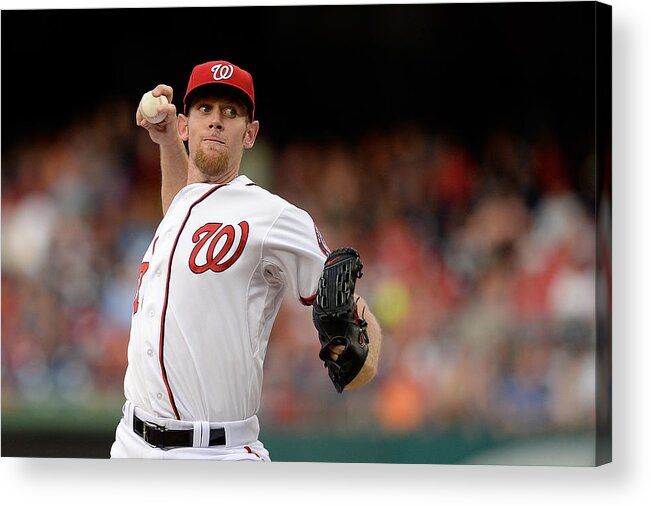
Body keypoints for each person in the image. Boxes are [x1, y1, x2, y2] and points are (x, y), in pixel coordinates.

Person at [110, 60, 382, 460]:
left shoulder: (270, 215)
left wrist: (365, 354)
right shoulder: (184, 205)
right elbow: (181, 211)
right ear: (186, 125)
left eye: (231, 112)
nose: (216, 121)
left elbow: (340, 290)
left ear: (250, 134)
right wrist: (167, 141)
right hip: (130, 445)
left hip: (218, 455)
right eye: (205, 110)